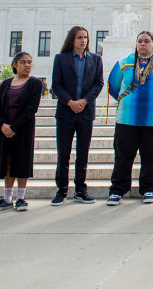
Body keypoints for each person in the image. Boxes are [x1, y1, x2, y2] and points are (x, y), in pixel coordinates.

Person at [106, 31, 153, 205]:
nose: (142, 44)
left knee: (151, 157)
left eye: (146, 41)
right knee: (123, 156)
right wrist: (128, 101)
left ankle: (148, 189)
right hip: (127, 119)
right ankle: (117, 190)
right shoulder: (124, 63)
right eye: (140, 41)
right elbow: (113, 86)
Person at [50, 26, 104, 206]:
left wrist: (84, 101)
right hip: (66, 112)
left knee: (83, 154)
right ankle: (62, 190)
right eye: (80, 37)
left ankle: (80, 189)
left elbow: (99, 84)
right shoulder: (61, 59)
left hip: (86, 112)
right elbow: (56, 85)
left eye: (86, 37)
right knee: (63, 153)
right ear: (72, 39)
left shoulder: (96, 59)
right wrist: (70, 102)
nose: (84, 41)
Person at [0, 52, 42, 213]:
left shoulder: (35, 83)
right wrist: (3, 125)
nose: (27, 65)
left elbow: (31, 109)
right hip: (5, 130)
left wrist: (14, 127)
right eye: (23, 62)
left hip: (23, 129)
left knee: (22, 161)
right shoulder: (5, 84)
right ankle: (6, 199)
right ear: (14, 65)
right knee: (8, 162)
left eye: (30, 62)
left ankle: (20, 198)